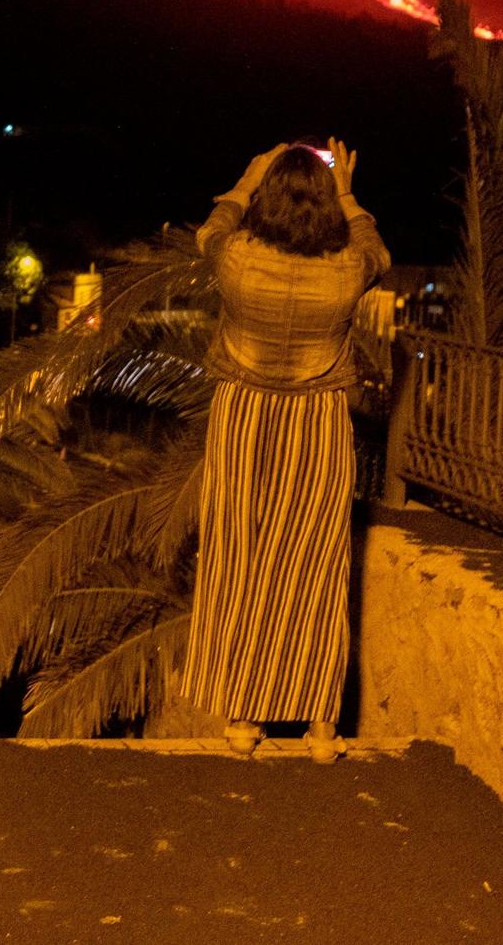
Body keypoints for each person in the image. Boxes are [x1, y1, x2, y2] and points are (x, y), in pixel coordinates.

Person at [178, 137, 389, 764]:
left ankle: (243, 720)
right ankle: (322, 729)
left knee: (237, 556)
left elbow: (208, 231)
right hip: (317, 423)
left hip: (243, 414)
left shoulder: (236, 258)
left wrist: (244, 180)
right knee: (315, 566)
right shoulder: (349, 268)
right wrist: (348, 191)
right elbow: (377, 247)